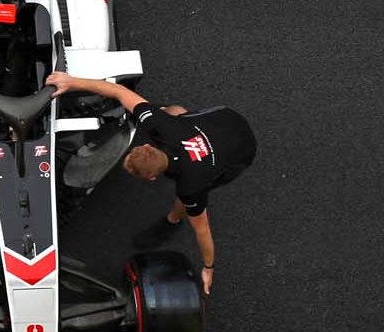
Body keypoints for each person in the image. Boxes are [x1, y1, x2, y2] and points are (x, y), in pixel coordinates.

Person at [47, 72, 257, 295]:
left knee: (191, 198)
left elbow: (203, 230)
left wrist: (209, 267)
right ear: (148, 147)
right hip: (223, 118)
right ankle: (163, 116)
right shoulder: (161, 124)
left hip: (241, 149)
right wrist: (70, 82)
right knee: (172, 113)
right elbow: (120, 92)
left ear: (151, 177)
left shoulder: (192, 184)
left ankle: (173, 219)